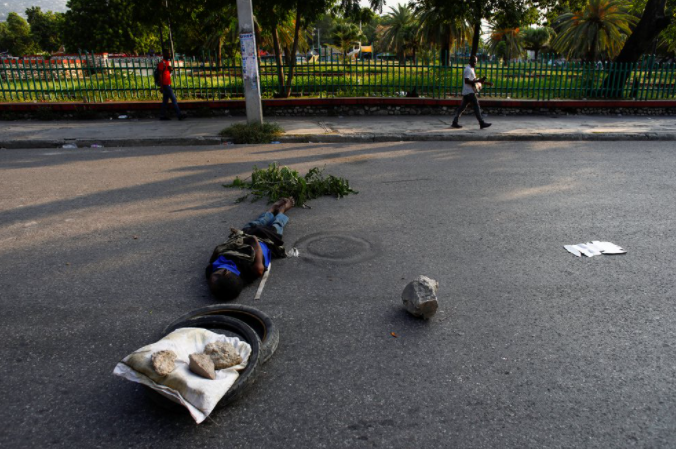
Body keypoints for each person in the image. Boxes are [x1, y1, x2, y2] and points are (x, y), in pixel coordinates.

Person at [206, 197, 295, 301]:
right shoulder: (250, 270)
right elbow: (259, 268)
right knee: (277, 225)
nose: (211, 276)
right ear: (226, 272)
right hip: (265, 240)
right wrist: (253, 241)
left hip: (244, 236)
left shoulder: (211, 272)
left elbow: (214, 257)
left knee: (255, 223)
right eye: (215, 275)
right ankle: (281, 211)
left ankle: (271, 210)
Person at [451, 55, 492, 130]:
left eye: (476, 62)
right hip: (469, 92)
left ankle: (454, 121)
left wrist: (486, 83)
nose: (475, 63)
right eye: (475, 62)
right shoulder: (468, 69)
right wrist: (478, 81)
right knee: (476, 106)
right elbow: (467, 81)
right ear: (471, 61)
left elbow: (474, 81)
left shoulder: (471, 69)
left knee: (462, 108)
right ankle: (481, 122)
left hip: (468, 91)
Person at [158, 49, 186, 121]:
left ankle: (162, 115)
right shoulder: (162, 63)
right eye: (168, 54)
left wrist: (170, 70)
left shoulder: (167, 62)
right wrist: (161, 86)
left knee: (165, 101)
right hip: (165, 85)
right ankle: (179, 115)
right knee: (173, 99)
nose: (169, 55)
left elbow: (167, 73)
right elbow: (160, 75)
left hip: (168, 84)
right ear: (164, 54)